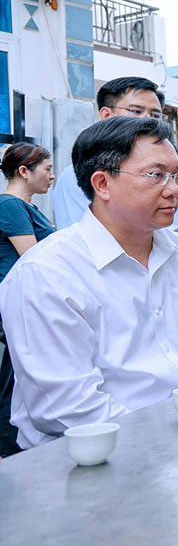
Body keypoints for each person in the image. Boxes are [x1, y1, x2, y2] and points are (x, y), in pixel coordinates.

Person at [0, 117, 178, 449]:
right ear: (102, 184)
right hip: (90, 461)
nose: (173, 190)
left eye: (176, 175)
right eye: (156, 175)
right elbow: (68, 408)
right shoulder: (47, 274)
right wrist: (173, 441)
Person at [52, 76, 178, 249]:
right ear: (107, 115)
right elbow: (87, 246)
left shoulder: (177, 178)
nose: (148, 120)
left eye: (155, 114)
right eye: (136, 111)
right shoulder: (77, 175)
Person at [0, 143, 56, 456]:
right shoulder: (9, 205)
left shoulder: (28, 207)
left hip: (26, 302)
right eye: (46, 169)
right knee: (15, 378)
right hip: (16, 304)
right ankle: (8, 448)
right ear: (24, 171)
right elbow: (33, 259)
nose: (51, 176)